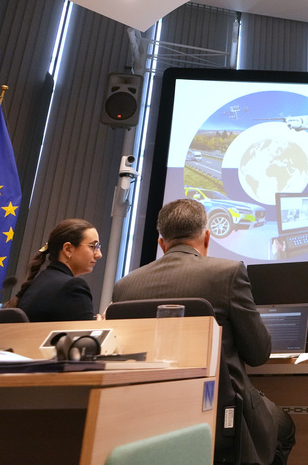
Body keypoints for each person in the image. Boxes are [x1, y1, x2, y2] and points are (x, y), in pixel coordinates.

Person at [110, 198, 294, 465]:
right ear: (207, 237)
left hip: (148, 413)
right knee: (285, 429)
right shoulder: (227, 273)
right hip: (222, 411)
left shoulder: (125, 286)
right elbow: (258, 354)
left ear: (162, 244)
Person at [9, 219, 102, 322]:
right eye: (93, 246)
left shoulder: (37, 282)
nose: (99, 254)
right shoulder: (73, 287)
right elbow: (83, 337)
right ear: (68, 249)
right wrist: (100, 328)